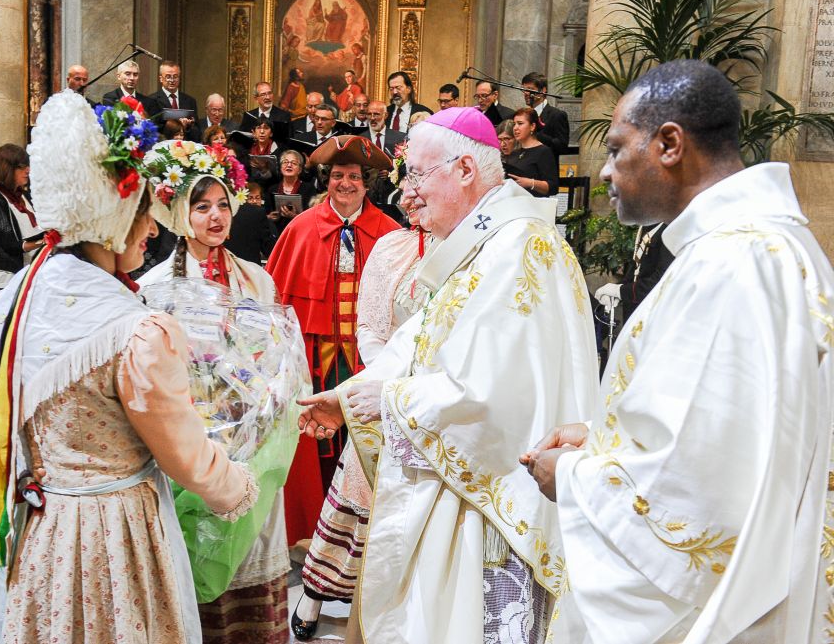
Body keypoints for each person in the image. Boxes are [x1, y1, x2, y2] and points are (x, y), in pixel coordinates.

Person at [521, 60, 834, 644]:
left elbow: (699, 490)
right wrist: (602, 438)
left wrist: (575, 478)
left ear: (669, 143)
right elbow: (738, 435)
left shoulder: (730, 263)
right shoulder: (769, 245)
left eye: (616, 149)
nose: (606, 172)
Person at [0, 91, 259, 643]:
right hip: (117, 534)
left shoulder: (2, 311)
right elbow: (187, 459)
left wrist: (47, 480)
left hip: (36, 526)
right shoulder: (137, 331)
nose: (152, 229)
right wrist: (238, 486)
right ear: (113, 215)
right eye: (144, 211)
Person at [295, 107, 598, 643]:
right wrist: (348, 395)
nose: (407, 191)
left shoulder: (520, 248)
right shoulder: (483, 247)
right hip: (455, 482)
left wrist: (387, 401)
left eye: (416, 173)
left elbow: (488, 392)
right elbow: (421, 340)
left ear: (464, 169)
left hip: (491, 496)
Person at [136, 144, 288, 644]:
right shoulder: (155, 287)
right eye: (202, 207)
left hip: (253, 438)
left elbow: (277, 354)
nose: (215, 217)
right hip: (192, 440)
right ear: (180, 213)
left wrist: (264, 405)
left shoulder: (257, 279)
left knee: (252, 534)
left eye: (222, 204)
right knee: (195, 543)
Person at [292, 195, 433, 640]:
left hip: (430, 407)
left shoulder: (475, 252)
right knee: (353, 503)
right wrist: (382, 371)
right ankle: (313, 595)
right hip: (382, 393)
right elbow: (370, 325)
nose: (413, 196)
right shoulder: (392, 247)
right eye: (409, 183)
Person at [266, 136, 400, 545]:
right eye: (338, 175)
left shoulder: (390, 233)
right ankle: (312, 534)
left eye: (354, 176)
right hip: (315, 358)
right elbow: (275, 300)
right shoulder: (301, 229)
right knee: (314, 444)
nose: (346, 183)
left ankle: (364, 534)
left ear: (367, 182)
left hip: (368, 361)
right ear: (327, 179)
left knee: (361, 445)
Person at [0, 144, 43, 296]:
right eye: (21, 166)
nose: (28, 170)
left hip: (28, 272)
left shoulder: (25, 197)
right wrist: (44, 242)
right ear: (7, 169)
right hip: (6, 277)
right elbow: (11, 243)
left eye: (27, 165)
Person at [502, 107, 558, 196]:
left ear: (532, 126)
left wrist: (530, 183)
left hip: (534, 205)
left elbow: (553, 187)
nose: (515, 128)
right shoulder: (514, 153)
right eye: (514, 124)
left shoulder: (543, 151)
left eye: (520, 124)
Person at [224, 183, 277, 265]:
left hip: (221, 268)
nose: (254, 201)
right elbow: (269, 249)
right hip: (249, 271)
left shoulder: (213, 214)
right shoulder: (256, 213)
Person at [266, 149, 316, 234]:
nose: (289, 165)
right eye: (285, 162)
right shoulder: (272, 189)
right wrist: (270, 217)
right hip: (276, 234)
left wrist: (295, 217)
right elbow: (265, 214)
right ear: (281, 167)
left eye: (294, 163)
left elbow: (313, 217)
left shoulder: (309, 189)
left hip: (300, 233)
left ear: (300, 170)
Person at [520, 71, 569, 158]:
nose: (526, 93)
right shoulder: (524, 115)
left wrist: (536, 134)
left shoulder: (557, 115)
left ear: (543, 90)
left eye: (530, 89)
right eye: (524, 90)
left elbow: (562, 147)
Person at [146, 61, 198, 137]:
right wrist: (175, 126)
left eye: (175, 76)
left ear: (179, 78)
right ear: (161, 78)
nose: (172, 80)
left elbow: (197, 132)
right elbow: (152, 129)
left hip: (185, 146)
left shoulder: (190, 101)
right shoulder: (151, 100)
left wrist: (187, 127)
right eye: (168, 76)